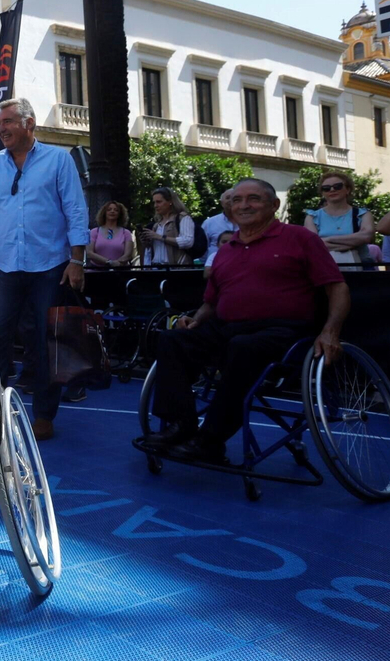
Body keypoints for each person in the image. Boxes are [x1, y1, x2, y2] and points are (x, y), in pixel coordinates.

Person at [144, 177, 347, 463]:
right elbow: (212, 301)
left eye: (253, 199)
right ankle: (182, 425)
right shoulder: (227, 250)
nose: (243, 205)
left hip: (283, 331)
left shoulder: (300, 238)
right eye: (237, 200)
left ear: (274, 205)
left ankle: (211, 441)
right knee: (171, 340)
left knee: (243, 347)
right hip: (228, 328)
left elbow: (337, 287)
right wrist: (196, 318)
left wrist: (330, 331)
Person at [0, 97, 87, 440]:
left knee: (44, 341)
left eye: (8, 121)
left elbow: (75, 209)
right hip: (6, 265)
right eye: (0, 123)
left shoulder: (57, 160)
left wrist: (77, 260)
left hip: (51, 265)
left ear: (29, 123)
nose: (2, 128)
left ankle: (44, 415)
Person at [303, 171, 378, 268]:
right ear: (322, 193)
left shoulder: (362, 214)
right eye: (326, 188)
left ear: (348, 189)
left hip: (360, 269)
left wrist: (327, 240)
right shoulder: (312, 217)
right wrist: (354, 243)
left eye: (337, 186)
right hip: (325, 268)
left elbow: (366, 237)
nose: (332, 190)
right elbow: (313, 245)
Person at [139, 187, 195, 267]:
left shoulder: (183, 218)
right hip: (156, 268)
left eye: (159, 202)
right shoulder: (157, 224)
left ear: (170, 202)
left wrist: (160, 237)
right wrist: (147, 242)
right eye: (154, 202)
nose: (155, 206)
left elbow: (187, 241)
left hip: (176, 269)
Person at [85, 202, 136, 269]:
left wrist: (117, 263)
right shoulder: (94, 232)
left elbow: (128, 254)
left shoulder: (126, 233)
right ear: (104, 213)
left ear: (120, 214)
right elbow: (89, 253)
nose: (112, 211)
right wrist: (109, 262)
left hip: (120, 271)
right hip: (97, 271)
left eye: (116, 210)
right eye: (109, 209)